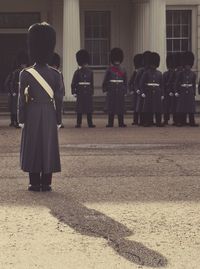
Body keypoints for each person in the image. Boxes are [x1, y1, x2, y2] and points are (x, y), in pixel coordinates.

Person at [18, 22, 63, 191]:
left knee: (33, 145)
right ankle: (47, 182)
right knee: (48, 145)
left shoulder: (26, 74)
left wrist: (21, 118)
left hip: (32, 111)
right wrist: (59, 119)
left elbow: (22, 100)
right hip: (50, 112)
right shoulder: (56, 74)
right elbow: (58, 99)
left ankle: (34, 182)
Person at [102, 48, 127, 127]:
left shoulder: (123, 69)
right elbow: (105, 79)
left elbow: (125, 81)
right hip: (111, 89)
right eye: (116, 60)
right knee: (111, 107)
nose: (117, 62)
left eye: (118, 60)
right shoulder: (109, 69)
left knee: (120, 107)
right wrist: (105, 89)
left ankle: (121, 122)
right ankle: (110, 123)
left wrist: (125, 90)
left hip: (120, 89)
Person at [71, 49, 95, 128]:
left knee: (89, 109)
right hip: (80, 91)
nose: (85, 65)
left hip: (87, 91)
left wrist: (92, 91)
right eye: (84, 63)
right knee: (79, 109)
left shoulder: (90, 72)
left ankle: (90, 123)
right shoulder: (77, 72)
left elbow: (91, 83)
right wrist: (73, 91)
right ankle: (78, 123)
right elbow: (73, 83)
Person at [140, 52, 164, 127]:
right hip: (148, 91)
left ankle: (158, 122)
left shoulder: (159, 73)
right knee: (148, 108)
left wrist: (162, 94)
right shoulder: (146, 73)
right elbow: (141, 83)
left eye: (154, 64)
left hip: (157, 92)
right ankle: (148, 122)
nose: (153, 66)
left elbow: (162, 85)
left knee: (158, 109)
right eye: (152, 64)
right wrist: (142, 92)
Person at [175, 51, 198, 127]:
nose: (188, 66)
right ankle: (180, 122)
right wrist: (176, 91)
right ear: (184, 65)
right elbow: (177, 83)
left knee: (191, 108)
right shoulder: (180, 73)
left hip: (190, 91)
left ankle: (192, 122)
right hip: (182, 91)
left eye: (189, 65)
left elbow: (194, 84)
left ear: (190, 65)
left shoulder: (193, 74)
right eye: (186, 65)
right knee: (181, 107)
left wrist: (194, 93)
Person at [10, 51, 29, 128]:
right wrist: (13, 92)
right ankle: (16, 122)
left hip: (25, 92)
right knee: (16, 108)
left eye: (24, 64)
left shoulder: (27, 72)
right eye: (23, 64)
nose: (24, 65)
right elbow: (12, 83)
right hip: (17, 92)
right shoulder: (16, 72)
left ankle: (23, 121)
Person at [134, 51, 152, 126]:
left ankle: (150, 121)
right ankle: (141, 121)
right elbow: (136, 81)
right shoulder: (140, 70)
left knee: (150, 106)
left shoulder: (151, 70)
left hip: (149, 90)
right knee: (141, 106)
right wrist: (137, 90)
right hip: (142, 90)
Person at [49, 52, 65, 128]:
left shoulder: (59, 73)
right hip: (50, 93)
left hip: (58, 94)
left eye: (55, 65)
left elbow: (62, 83)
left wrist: (63, 93)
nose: (54, 67)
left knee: (59, 109)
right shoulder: (49, 73)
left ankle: (59, 122)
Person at [129, 53, 143, 125]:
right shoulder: (135, 72)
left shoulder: (142, 72)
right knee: (135, 107)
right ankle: (135, 121)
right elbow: (131, 82)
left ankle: (140, 121)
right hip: (135, 91)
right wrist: (131, 90)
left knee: (140, 106)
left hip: (140, 91)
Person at [163, 53, 176, 125]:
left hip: (174, 92)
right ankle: (166, 120)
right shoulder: (165, 74)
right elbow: (163, 84)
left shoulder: (176, 73)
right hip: (167, 92)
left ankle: (175, 120)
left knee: (174, 107)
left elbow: (176, 84)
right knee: (166, 107)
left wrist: (173, 91)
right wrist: (167, 91)